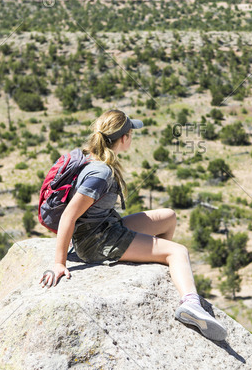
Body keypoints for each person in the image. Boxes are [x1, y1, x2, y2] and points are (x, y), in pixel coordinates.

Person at [39, 109, 227, 341]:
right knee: (179, 251)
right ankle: (190, 305)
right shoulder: (100, 172)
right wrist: (59, 263)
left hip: (107, 227)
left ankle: (160, 261)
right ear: (124, 138)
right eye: (130, 132)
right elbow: (69, 216)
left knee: (168, 216)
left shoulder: (94, 158)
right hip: (97, 241)